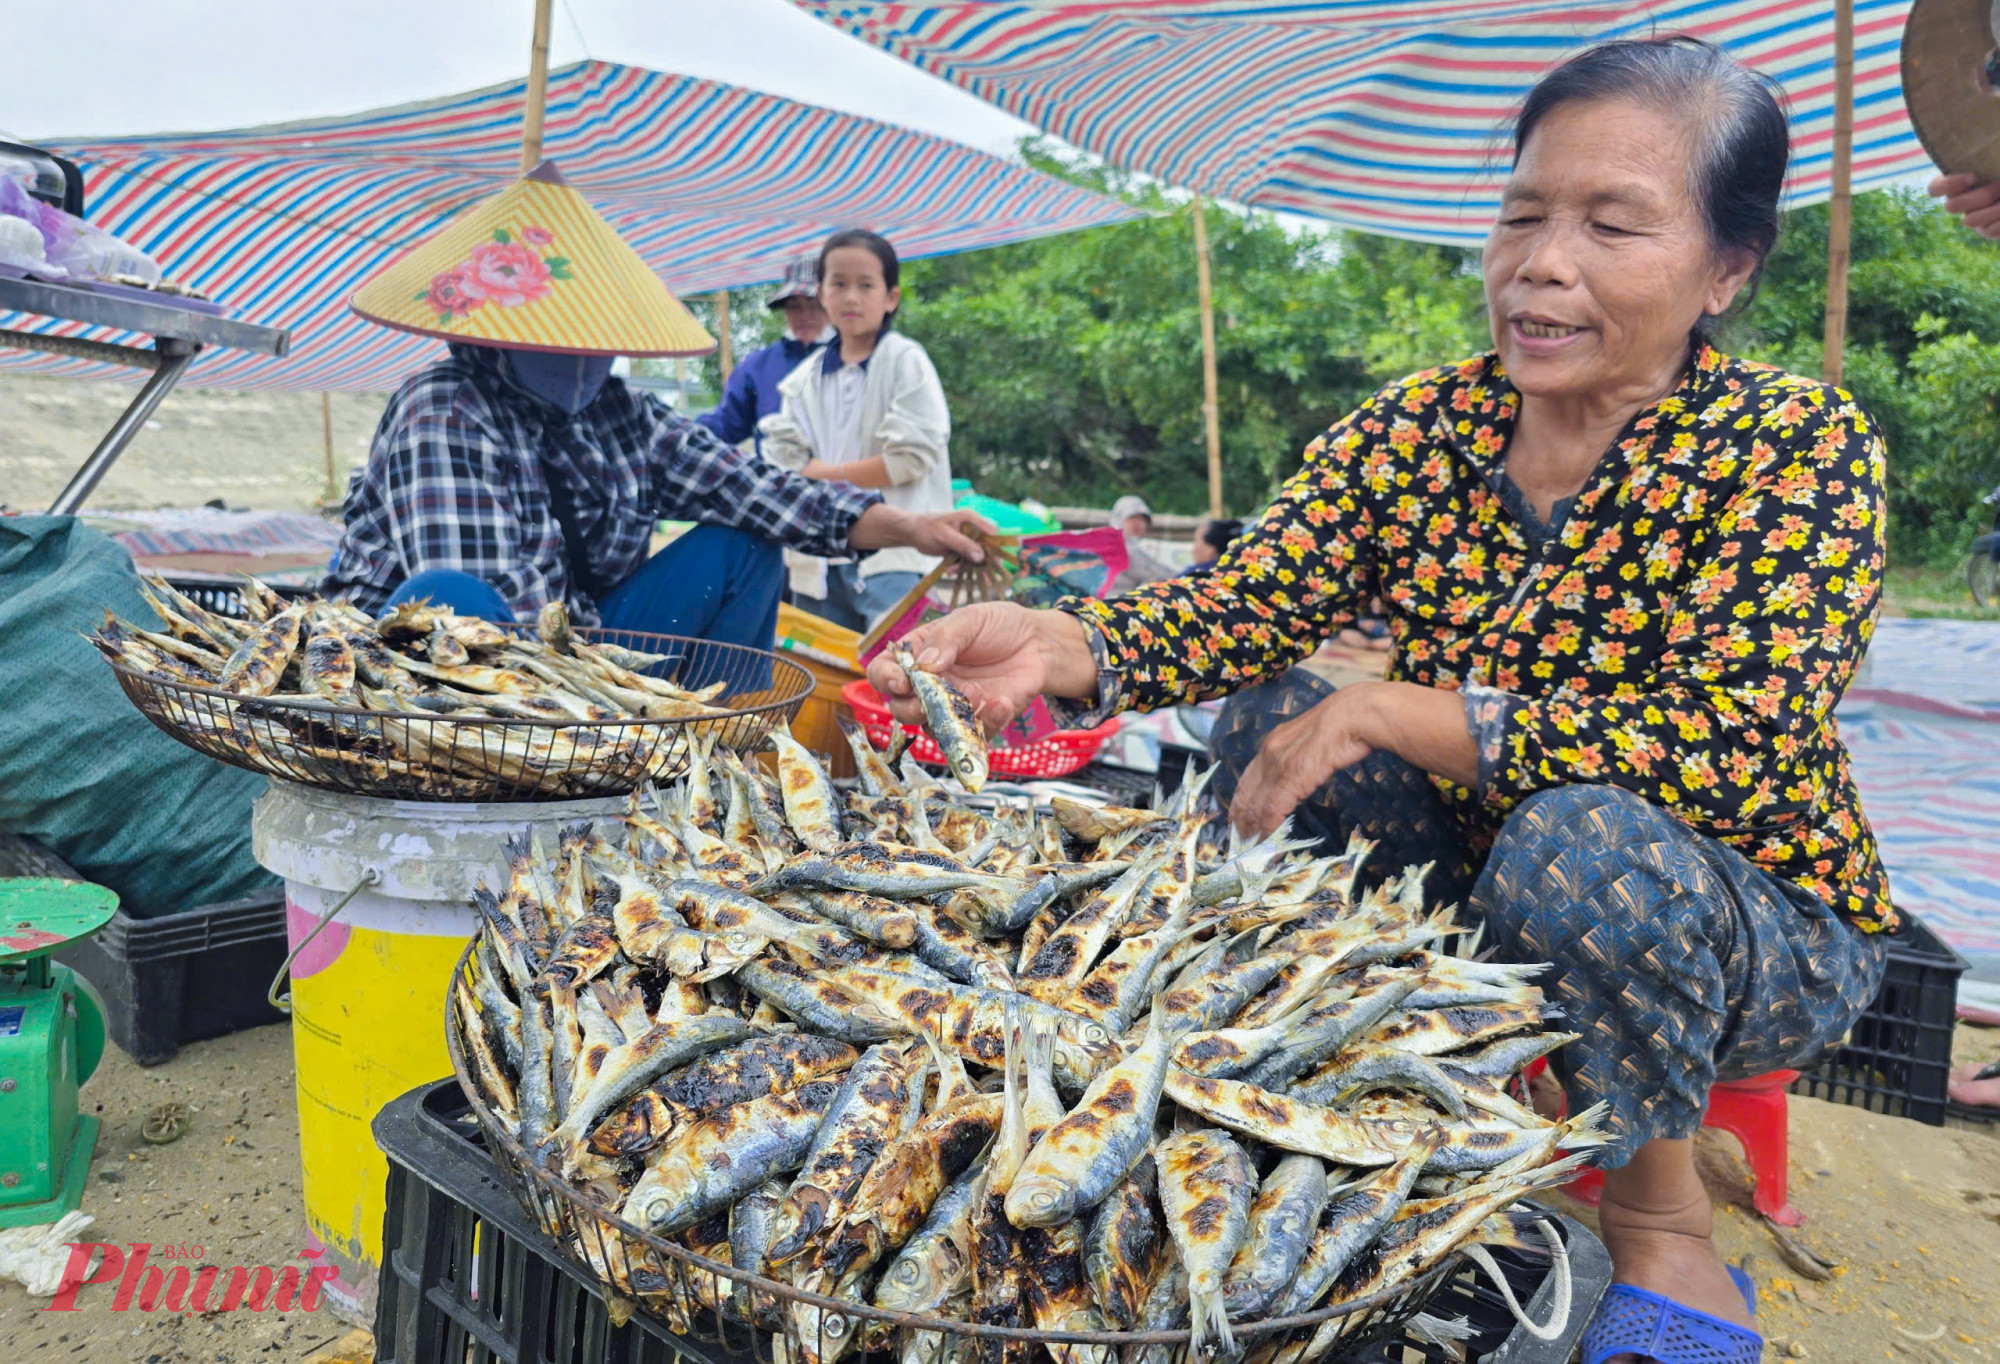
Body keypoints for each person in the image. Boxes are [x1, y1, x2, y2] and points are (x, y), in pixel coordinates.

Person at [872, 39, 1889, 1364]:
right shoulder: (1420, 432)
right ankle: (1383, 1100)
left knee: (1570, 836)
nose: (1541, 261)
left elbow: (1731, 742)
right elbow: (1242, 611)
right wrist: (1065, 639)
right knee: (1277, 724)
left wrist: (1387, 709)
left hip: (1735, 919)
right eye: (1521, 214)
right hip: (1487, 884)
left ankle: (1662, 1220)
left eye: (1611, 224)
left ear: (1728, 268)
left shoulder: (1795, 451)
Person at [324, 165, 988, 650]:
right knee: (457, 600)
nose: (584, 359)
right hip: (439, 673)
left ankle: (705, 753)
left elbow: (756, 489)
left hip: (582, 640)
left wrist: (912, 527)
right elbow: (496, 618)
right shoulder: (445, 412)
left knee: (743, 546)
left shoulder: (618, 414)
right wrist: (613, 692)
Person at [759, 230, 953, 632]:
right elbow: (781, 461)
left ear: (890, 298)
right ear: (823, 293)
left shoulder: (905, 361)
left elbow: (908, 460)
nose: (851, 297)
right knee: (836, 675)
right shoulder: (803, 378)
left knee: (909, 667)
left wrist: (823, 474)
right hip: (820, 561)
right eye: (839, 284)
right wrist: (825, 473)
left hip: (896, 557)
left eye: (866, 285)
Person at [695, 255, 833, 454]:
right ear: (785, 310)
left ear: (830, 306)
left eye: (814, 305)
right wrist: (684, 430)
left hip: (844, 479)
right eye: (794, 306)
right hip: (778, 480)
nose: (804, 315)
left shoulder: (853, 358)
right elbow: (728, 426)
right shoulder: (757, 366)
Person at [1106, 494, 1175, 592]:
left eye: (1142, 519)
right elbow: (1155, 573)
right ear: (1118, 519)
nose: (1137, 523)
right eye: (1132, 517)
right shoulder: (1114, 545)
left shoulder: (1147, 547)